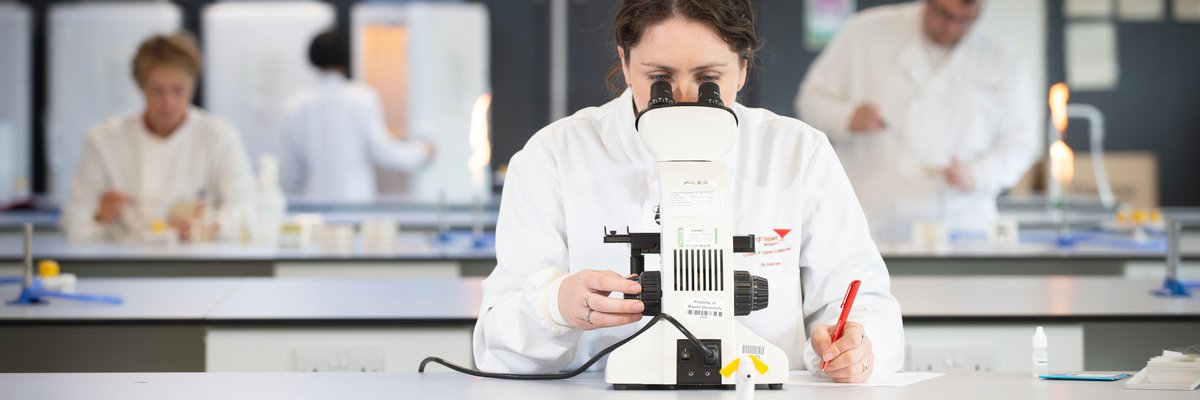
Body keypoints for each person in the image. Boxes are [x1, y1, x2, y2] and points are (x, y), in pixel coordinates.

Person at [473, 0, 902, 383]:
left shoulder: (796, 152)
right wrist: (555, 306)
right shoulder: (555, 155)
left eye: (708, 79)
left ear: (744, 68)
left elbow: (863, 303)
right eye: (659, 78)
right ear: (624, 63)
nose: (682, 99)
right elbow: (495, 345)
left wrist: (858, 345)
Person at [796, 0, 1039, 239]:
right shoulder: (864, 33)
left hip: (962, 221)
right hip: (870, 221)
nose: (951, 28)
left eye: (965, 20)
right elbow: (810, 101)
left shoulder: (1003, 58)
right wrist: (847, 117)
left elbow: (1022, 143)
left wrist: (981, 173)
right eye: (943, 14)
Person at [61, 32, 255, 243]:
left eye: (178, 90)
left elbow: (246, 212)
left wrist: (212, 224)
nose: (168, 103)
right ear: (141, 86)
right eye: (157, 91)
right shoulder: (103, 140)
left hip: (197, 266)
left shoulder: (219, 137)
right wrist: (98, 215)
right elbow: (73, 220)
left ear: (193, 85)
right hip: (125, 263)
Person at [281, 29, 434, 203]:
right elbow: (382, 152)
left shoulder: (296, 104)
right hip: (355, 206)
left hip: (312, 207)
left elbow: (291, 172)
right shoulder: (363, 98)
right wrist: (422, 152)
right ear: (348, 56)